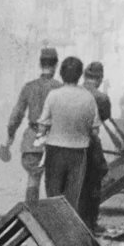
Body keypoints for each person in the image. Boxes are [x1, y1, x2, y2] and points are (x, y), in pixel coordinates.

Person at [36, 56, 99, 217]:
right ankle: (68, 234)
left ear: (61, 73)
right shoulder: (88, 98)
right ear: (80, 75)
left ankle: (53, 233)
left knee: (53, 194)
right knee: (72, 198)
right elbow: (95, 131)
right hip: (79, 153)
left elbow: (42, 125)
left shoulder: (53, 95)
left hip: (55, 151)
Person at [1, 47, 62, 203]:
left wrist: (8, 140)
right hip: (56, 141)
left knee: (33, 179)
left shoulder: (29, 87)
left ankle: (31, 217)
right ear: (56, 65)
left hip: (33, 140)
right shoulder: (60, 88)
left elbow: (16, 116)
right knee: (55, 183)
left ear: (40, 64)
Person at [77, 61, 112, 231]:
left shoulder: (72, 93)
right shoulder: (102, 98)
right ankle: (91, 223)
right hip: (91, 144)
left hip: (72, 144)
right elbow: (104, 118)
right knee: (94, 183)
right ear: (100, 79)